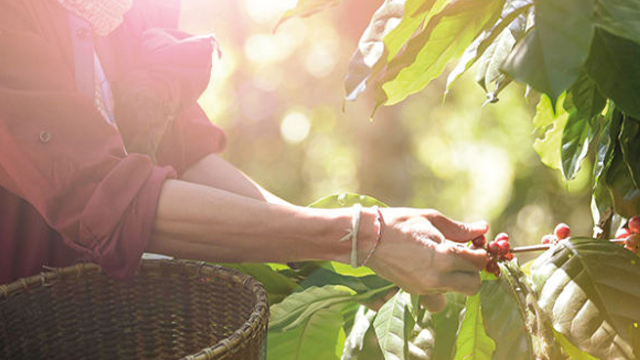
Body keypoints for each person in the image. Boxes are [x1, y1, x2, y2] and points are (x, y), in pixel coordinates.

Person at [0, 0, 488, 312]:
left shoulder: (123, 13)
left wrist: (333, 264)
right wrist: (360, 237)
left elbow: (185, 156)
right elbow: (113, 201)